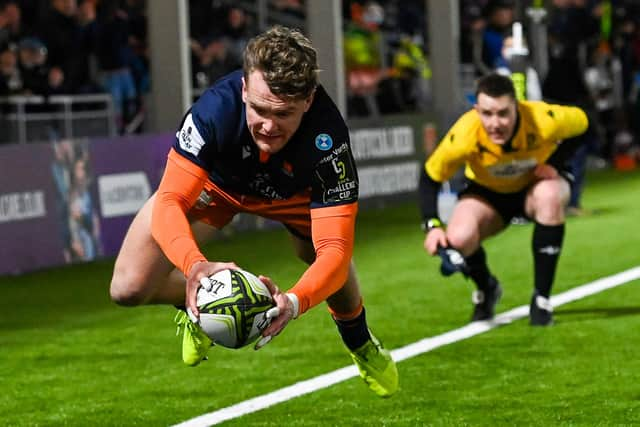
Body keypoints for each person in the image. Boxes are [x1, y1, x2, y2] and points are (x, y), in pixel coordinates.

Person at [109, 25, 398, 397]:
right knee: (128, 287)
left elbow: (336, 252)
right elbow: (169, 201)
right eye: (259, 109)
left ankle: (359, 342)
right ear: (244, 88)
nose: (268, 125)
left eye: (284, 114)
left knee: (315, 254)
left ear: (308, 100)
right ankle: (198, 300)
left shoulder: (328, 141)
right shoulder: (213, 111)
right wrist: (195, 267)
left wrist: (294, 303)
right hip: (219, 185)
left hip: (295, 195)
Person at [418, 73, 590, 326]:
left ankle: (541, 298)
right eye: (487, 113)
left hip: (534, 187)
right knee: (458, 239)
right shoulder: (465, 132)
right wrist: (432, 225)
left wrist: (555, 162)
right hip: (488, 194)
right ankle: (487, 288)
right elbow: (430, 177)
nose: (495, 123)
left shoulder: (543, 118)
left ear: (517, 107)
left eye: (503, 113)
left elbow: (586, 124)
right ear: (476, 109)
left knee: (550, 196)